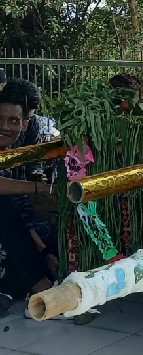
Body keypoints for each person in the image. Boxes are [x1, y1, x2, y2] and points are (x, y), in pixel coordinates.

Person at [0, 85, 56, 315]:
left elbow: (20, 211)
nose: (4, 127)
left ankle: (27, 283)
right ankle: (35, 283)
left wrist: (43, 252)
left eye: (13, 121)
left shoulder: (15, 155)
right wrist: (40, 187)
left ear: (25, 124)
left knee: (49, 242)